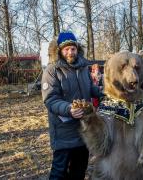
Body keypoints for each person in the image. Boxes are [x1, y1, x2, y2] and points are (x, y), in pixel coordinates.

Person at [41, 31, 103, 180]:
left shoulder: (83, 68)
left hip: (84, 128)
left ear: (77, 49)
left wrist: (103, 91)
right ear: (60, 51)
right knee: (59, 172)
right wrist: (69, 109)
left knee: (79, 170)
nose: (70, 52)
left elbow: (90, 89)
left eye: (73, 48)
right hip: (64, 132)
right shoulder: (52, 70)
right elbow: (50, 99)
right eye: (66, 49)